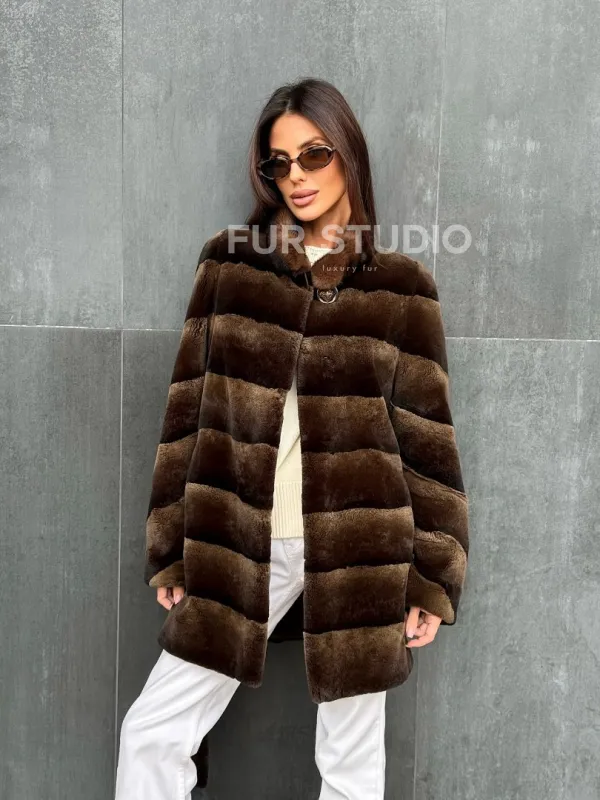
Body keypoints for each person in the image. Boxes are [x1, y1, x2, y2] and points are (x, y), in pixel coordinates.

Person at [114, 77, 469, 800]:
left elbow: (428, 443)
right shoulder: (229, 265)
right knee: (153, 733)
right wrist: (169, 546)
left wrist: (434, 576)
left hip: (362, 548)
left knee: (350, 764)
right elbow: (186, 412)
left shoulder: (402, 286)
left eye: (314, 155)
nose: (297, 177)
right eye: (279, 163)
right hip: (239, 538)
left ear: (348, 155)